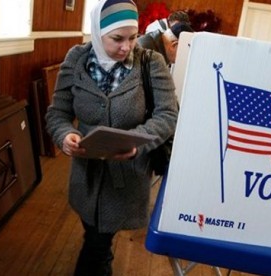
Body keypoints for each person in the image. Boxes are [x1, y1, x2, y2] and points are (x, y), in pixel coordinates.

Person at [45, 0, 179, 275]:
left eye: (132, 37)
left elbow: (167, 115)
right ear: (97, 31)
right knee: (95, 236)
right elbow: (57, 113)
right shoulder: (76, 59)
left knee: (97, 242)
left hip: (127, 178)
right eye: (117, 39)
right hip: (86, 177)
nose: (127, 47)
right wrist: (66, 135)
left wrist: (135, 140)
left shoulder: (150, 62)